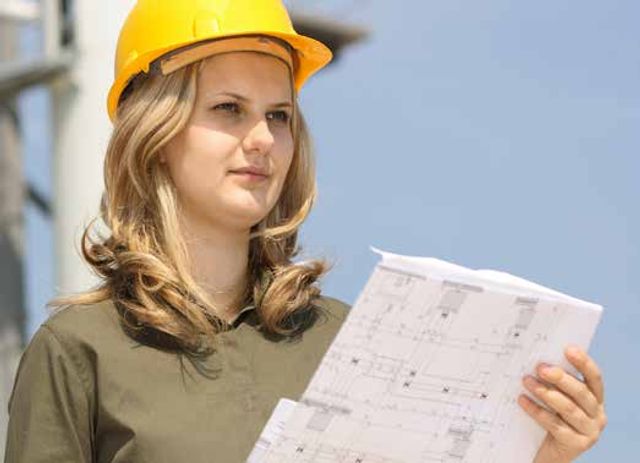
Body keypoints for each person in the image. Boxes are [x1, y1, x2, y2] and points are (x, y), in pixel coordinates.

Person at [4, 1, 607, 462]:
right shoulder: (79, 351)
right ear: (156, 135)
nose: (263, 139)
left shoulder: (354, 340)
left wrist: (538, 454)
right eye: (228, 109)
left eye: (279, 116)